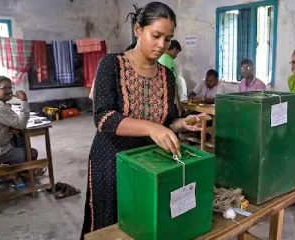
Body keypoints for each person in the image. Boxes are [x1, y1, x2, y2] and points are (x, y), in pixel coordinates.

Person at [80, 2, 204, 238]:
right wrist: (152, 128)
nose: (162, 45)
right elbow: (104, 118)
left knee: (146, 222)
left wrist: (182, 124)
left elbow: (167, 122)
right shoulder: (111, 65)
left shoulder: (167, 75)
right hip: (112, 160)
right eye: (156, 36)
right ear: (138, 30)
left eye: (167, 39)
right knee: (112, 225)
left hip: (150, 162)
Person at [158, 40, 183, 114]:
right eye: (177, 52)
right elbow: (172, 83)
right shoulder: (168, 60)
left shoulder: (161, 58)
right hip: (171, 100)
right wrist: (178, 103)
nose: (176, 55)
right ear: (174, 49)